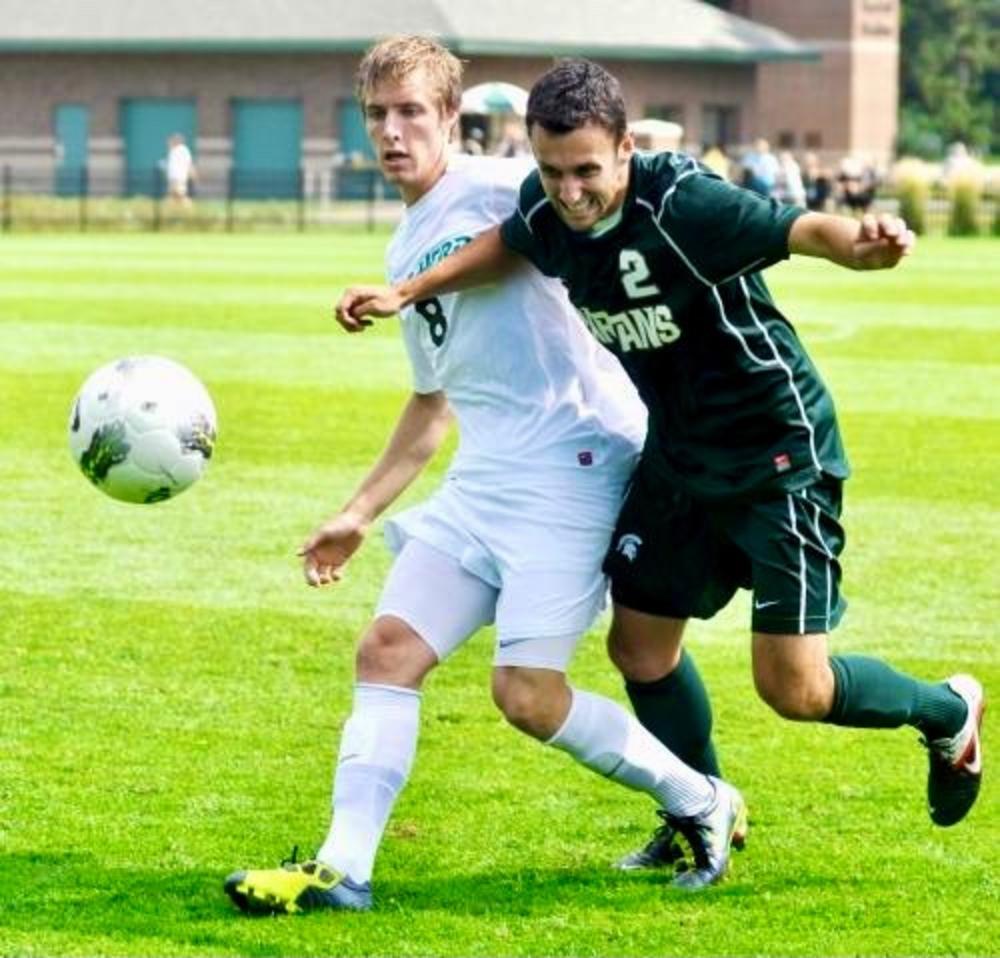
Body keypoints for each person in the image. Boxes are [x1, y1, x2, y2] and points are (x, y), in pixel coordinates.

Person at [337, 58, 985, 870]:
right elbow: (510, 242)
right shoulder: (546, 204)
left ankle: (947, 713)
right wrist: (411, 291)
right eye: (551, 170)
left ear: (624, 147)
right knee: (640, 649)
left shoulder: (682, 202)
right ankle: (703, 812)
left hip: (775, 453)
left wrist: (864, 248)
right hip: (676, 456)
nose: (569, 193)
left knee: (795, 689)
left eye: (586, 173)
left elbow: (798, 228)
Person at [223, 38, 747, 917]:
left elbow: (542, 234)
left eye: (412, 113)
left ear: (449, 118)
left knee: (528, 696)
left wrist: (410, 289)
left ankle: (702, 798)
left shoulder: (502, 188)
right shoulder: (404, 247)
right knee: (387, 651)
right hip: (487, 478)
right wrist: (356, 514)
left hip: (574, 464)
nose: (394, 132)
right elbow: (433, 406)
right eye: (378, 116)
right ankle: (342, 870)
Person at [164, 133, 196, 207]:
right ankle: (172, 209)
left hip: (179, 177)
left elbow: (188, 164)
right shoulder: (173, 151)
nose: (169, 143)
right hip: (174, 178)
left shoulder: (183, 150)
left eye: (171, 141)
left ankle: (189, 207)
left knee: (180, 195)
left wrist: (191, 174)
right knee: (172, 195)